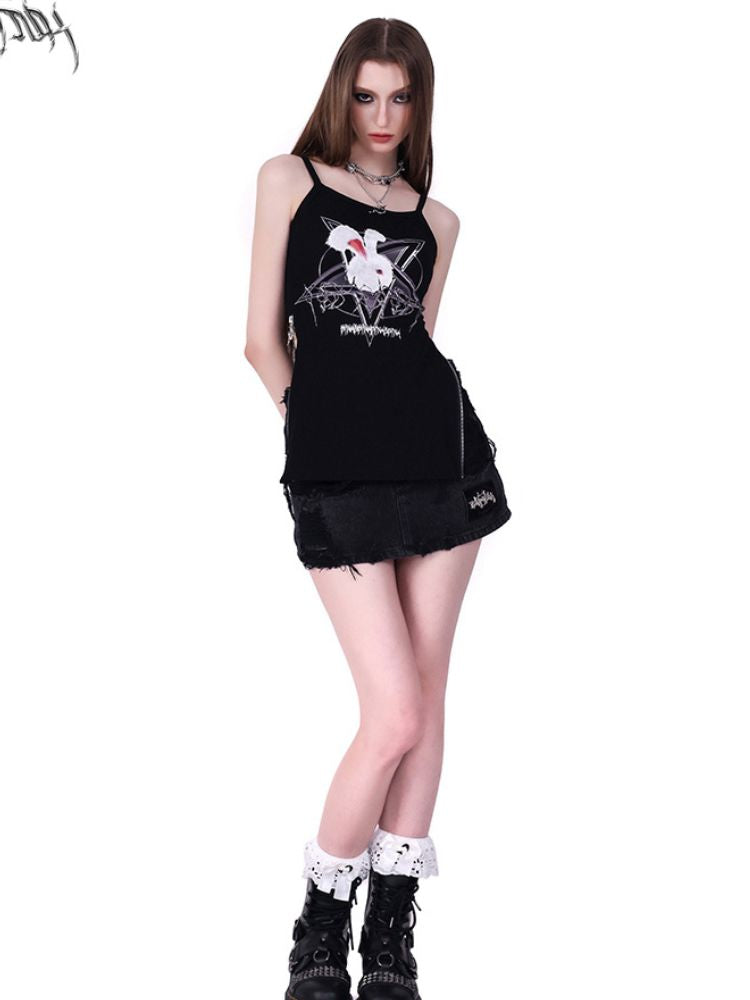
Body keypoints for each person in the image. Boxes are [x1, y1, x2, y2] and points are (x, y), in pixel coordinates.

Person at [244, 18, 512, 1000]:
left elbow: (414, 349)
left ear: (420, 102)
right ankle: (321, 922)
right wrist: (317, 432)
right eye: (366, 95)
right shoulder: (289, 180)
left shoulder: (439, 222)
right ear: (341, 94)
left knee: (425, 701)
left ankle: (390, 938)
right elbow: (260, 341)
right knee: (391, 711)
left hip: (443, 462)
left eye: (400, 97)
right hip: (337, 477)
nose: (382, 116)